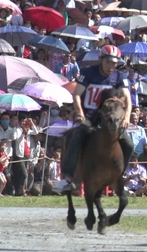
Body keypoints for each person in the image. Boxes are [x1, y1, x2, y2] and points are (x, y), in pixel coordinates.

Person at [55, 45, 134, 193]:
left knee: (129, 144)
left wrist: (127, 117)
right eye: (108, 62)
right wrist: (79, 113)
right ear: (101, 60)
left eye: (114, 63)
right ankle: (67, 178)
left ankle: (118, 176)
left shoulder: (119, 76)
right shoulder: (88, 73)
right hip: (90, 116)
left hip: (111, 118)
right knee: (77, 137)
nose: (111, 66)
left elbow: (127, 99)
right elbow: (77, 94)